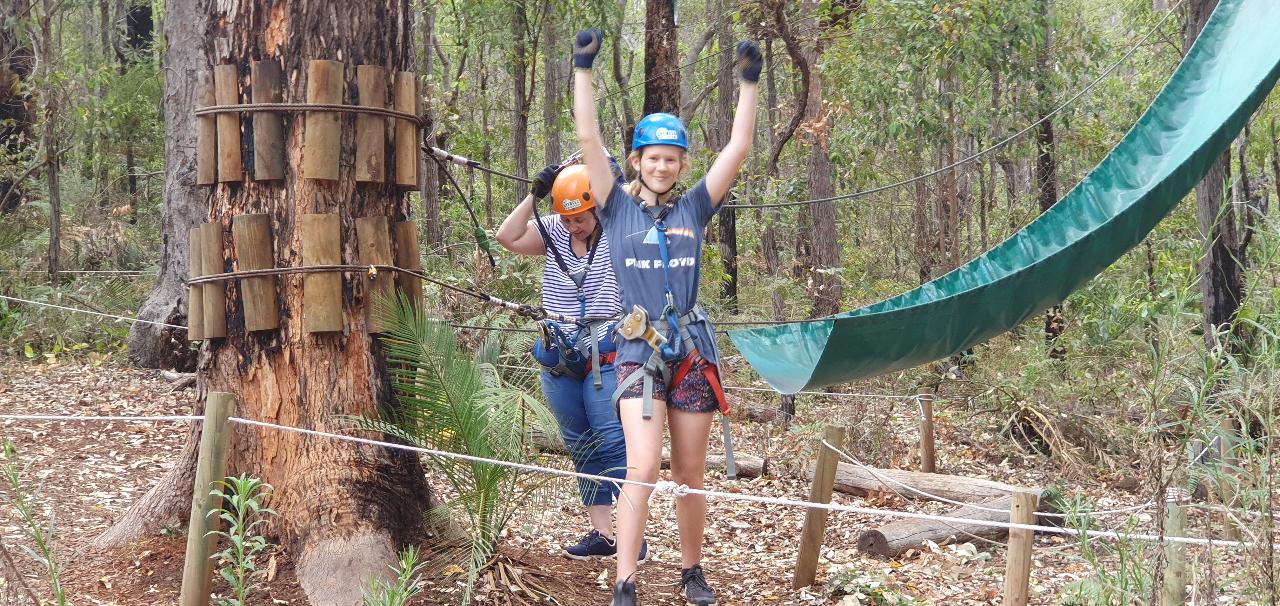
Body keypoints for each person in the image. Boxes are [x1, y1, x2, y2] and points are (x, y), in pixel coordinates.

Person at [569, 27, 761, 606]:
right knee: (643, 467)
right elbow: (587, 134)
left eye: (671, 158)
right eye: (653, 157)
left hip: (693, 352)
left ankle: (692, 571)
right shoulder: (616, 206)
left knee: (691, 474)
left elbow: (740, 148)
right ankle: (625, 580)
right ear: (638, 160)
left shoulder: (696, 207)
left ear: (680, 163)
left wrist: (749, 82)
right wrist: (583, 70)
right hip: (637, 350)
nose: (661, 166)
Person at [495, 159, 647, 564]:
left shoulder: (618, 231)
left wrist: (605, 176)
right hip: (560, 352)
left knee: (611, 439)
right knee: (580, 443)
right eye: (566, 218)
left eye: (579, 218)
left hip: (607, 351)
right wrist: (536, 194)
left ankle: (633, 533)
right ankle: (603, 534)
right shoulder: (553, 232)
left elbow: (637, 202)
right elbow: (506, 236)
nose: (572, 226)